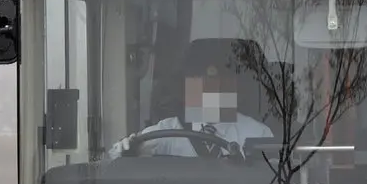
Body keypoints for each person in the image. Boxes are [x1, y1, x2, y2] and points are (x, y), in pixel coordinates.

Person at [108, 38, 274, 159]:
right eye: (199, 81)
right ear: (186, 88)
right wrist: (127, 149)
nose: (210, 90)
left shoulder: (257, 133)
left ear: (234, 88)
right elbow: (116, 156)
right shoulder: (167, 131)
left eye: (218, 81)